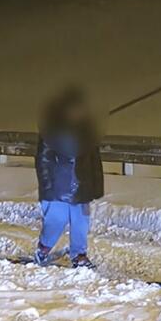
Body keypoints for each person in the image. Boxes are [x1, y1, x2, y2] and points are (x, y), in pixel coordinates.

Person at [34, 86, 104, 267]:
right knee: (56, 219)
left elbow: (94, 160)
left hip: (82, 185)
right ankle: (44, 247)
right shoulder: (53, 131)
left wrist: (96, 185)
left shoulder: (87, 131)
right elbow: (43, 160)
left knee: (81, 221)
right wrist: (47, 186)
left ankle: (79, 254)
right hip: (59, 186)